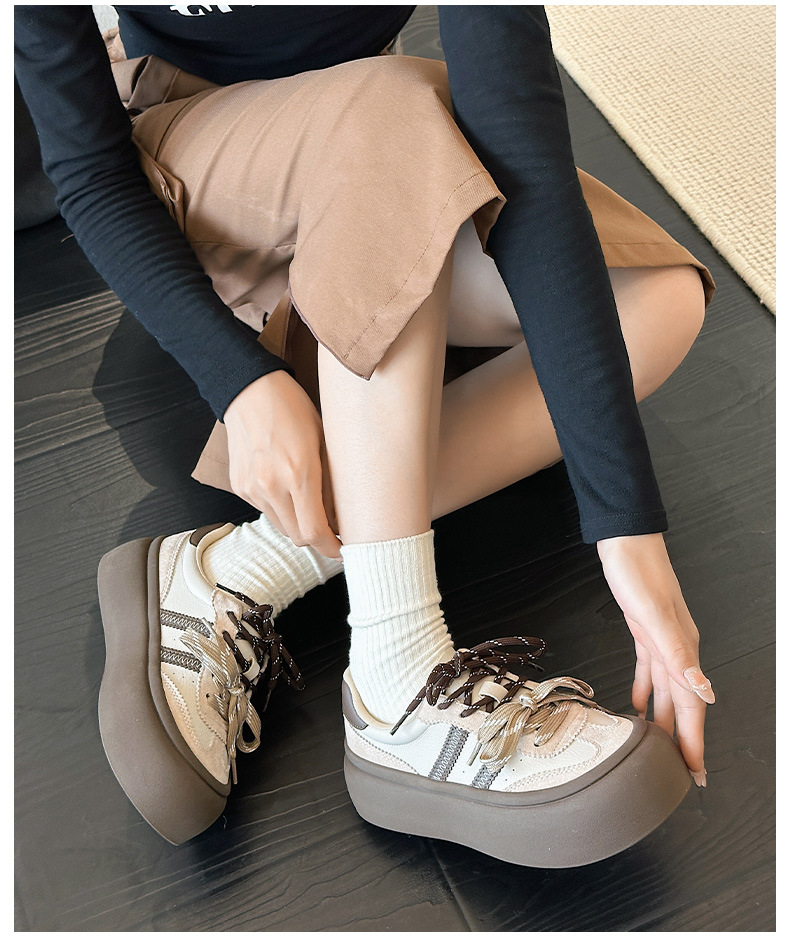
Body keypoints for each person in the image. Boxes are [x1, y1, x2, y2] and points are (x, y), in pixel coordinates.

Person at [15, 5, 716, 864]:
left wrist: (626, 531)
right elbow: (90, 170)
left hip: (383, 161)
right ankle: (396, 680)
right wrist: (239, 382)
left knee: (657, 299)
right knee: (392, 105)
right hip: (198, 160)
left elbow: (517, 136)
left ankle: (244, 569)